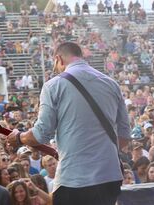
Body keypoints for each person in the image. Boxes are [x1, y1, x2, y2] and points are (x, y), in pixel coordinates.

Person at [7, 42, 131, 205]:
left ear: (59, 58)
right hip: (109, 177)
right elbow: (124, 137)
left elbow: (41, 134)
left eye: (55, 64)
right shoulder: (111, 84)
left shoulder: (53, 86)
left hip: (74, 180)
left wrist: (19, 137)